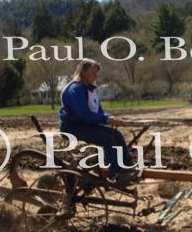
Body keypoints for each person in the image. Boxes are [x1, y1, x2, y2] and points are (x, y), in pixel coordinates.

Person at [59, 58, 138, 186]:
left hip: (86, 125)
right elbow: (84, 114)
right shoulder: (76, 89)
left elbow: (99, 113)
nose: (96, 76)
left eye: (97, 73)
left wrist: (111, 118)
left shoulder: (90, 90)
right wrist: (105, 119)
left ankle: (127, 167)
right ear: (83, 72)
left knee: (116, 135)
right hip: (72, 127)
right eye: (93, 73)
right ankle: (116, 173)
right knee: (108, 140)